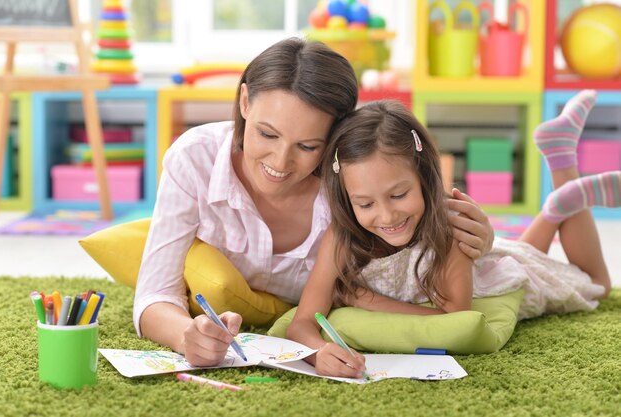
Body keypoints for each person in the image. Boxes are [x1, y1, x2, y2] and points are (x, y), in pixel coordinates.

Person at [134, 38, 495, 367]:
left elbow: (413, 231)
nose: (279, 161)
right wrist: (187, 337)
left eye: (308, 146)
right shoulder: (194, 159)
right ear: (245, 102)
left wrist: (481, 240)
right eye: (267, 133)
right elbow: (154, 293)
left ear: (335, 137)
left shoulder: (353, 187)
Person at [287, 92, 616, 379]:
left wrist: (370, 301)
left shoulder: (448, 229)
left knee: (596, 284)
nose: (386, 216)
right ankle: (557, 197)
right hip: (496, 256)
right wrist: (317, 352)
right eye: (366, 203)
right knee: (528, 250)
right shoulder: (342, 236)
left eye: (399, 195)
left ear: (424, 178)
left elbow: (454, 320)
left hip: (500, 278)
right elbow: (301, 323)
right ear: (347, 199)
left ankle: (562, 189)